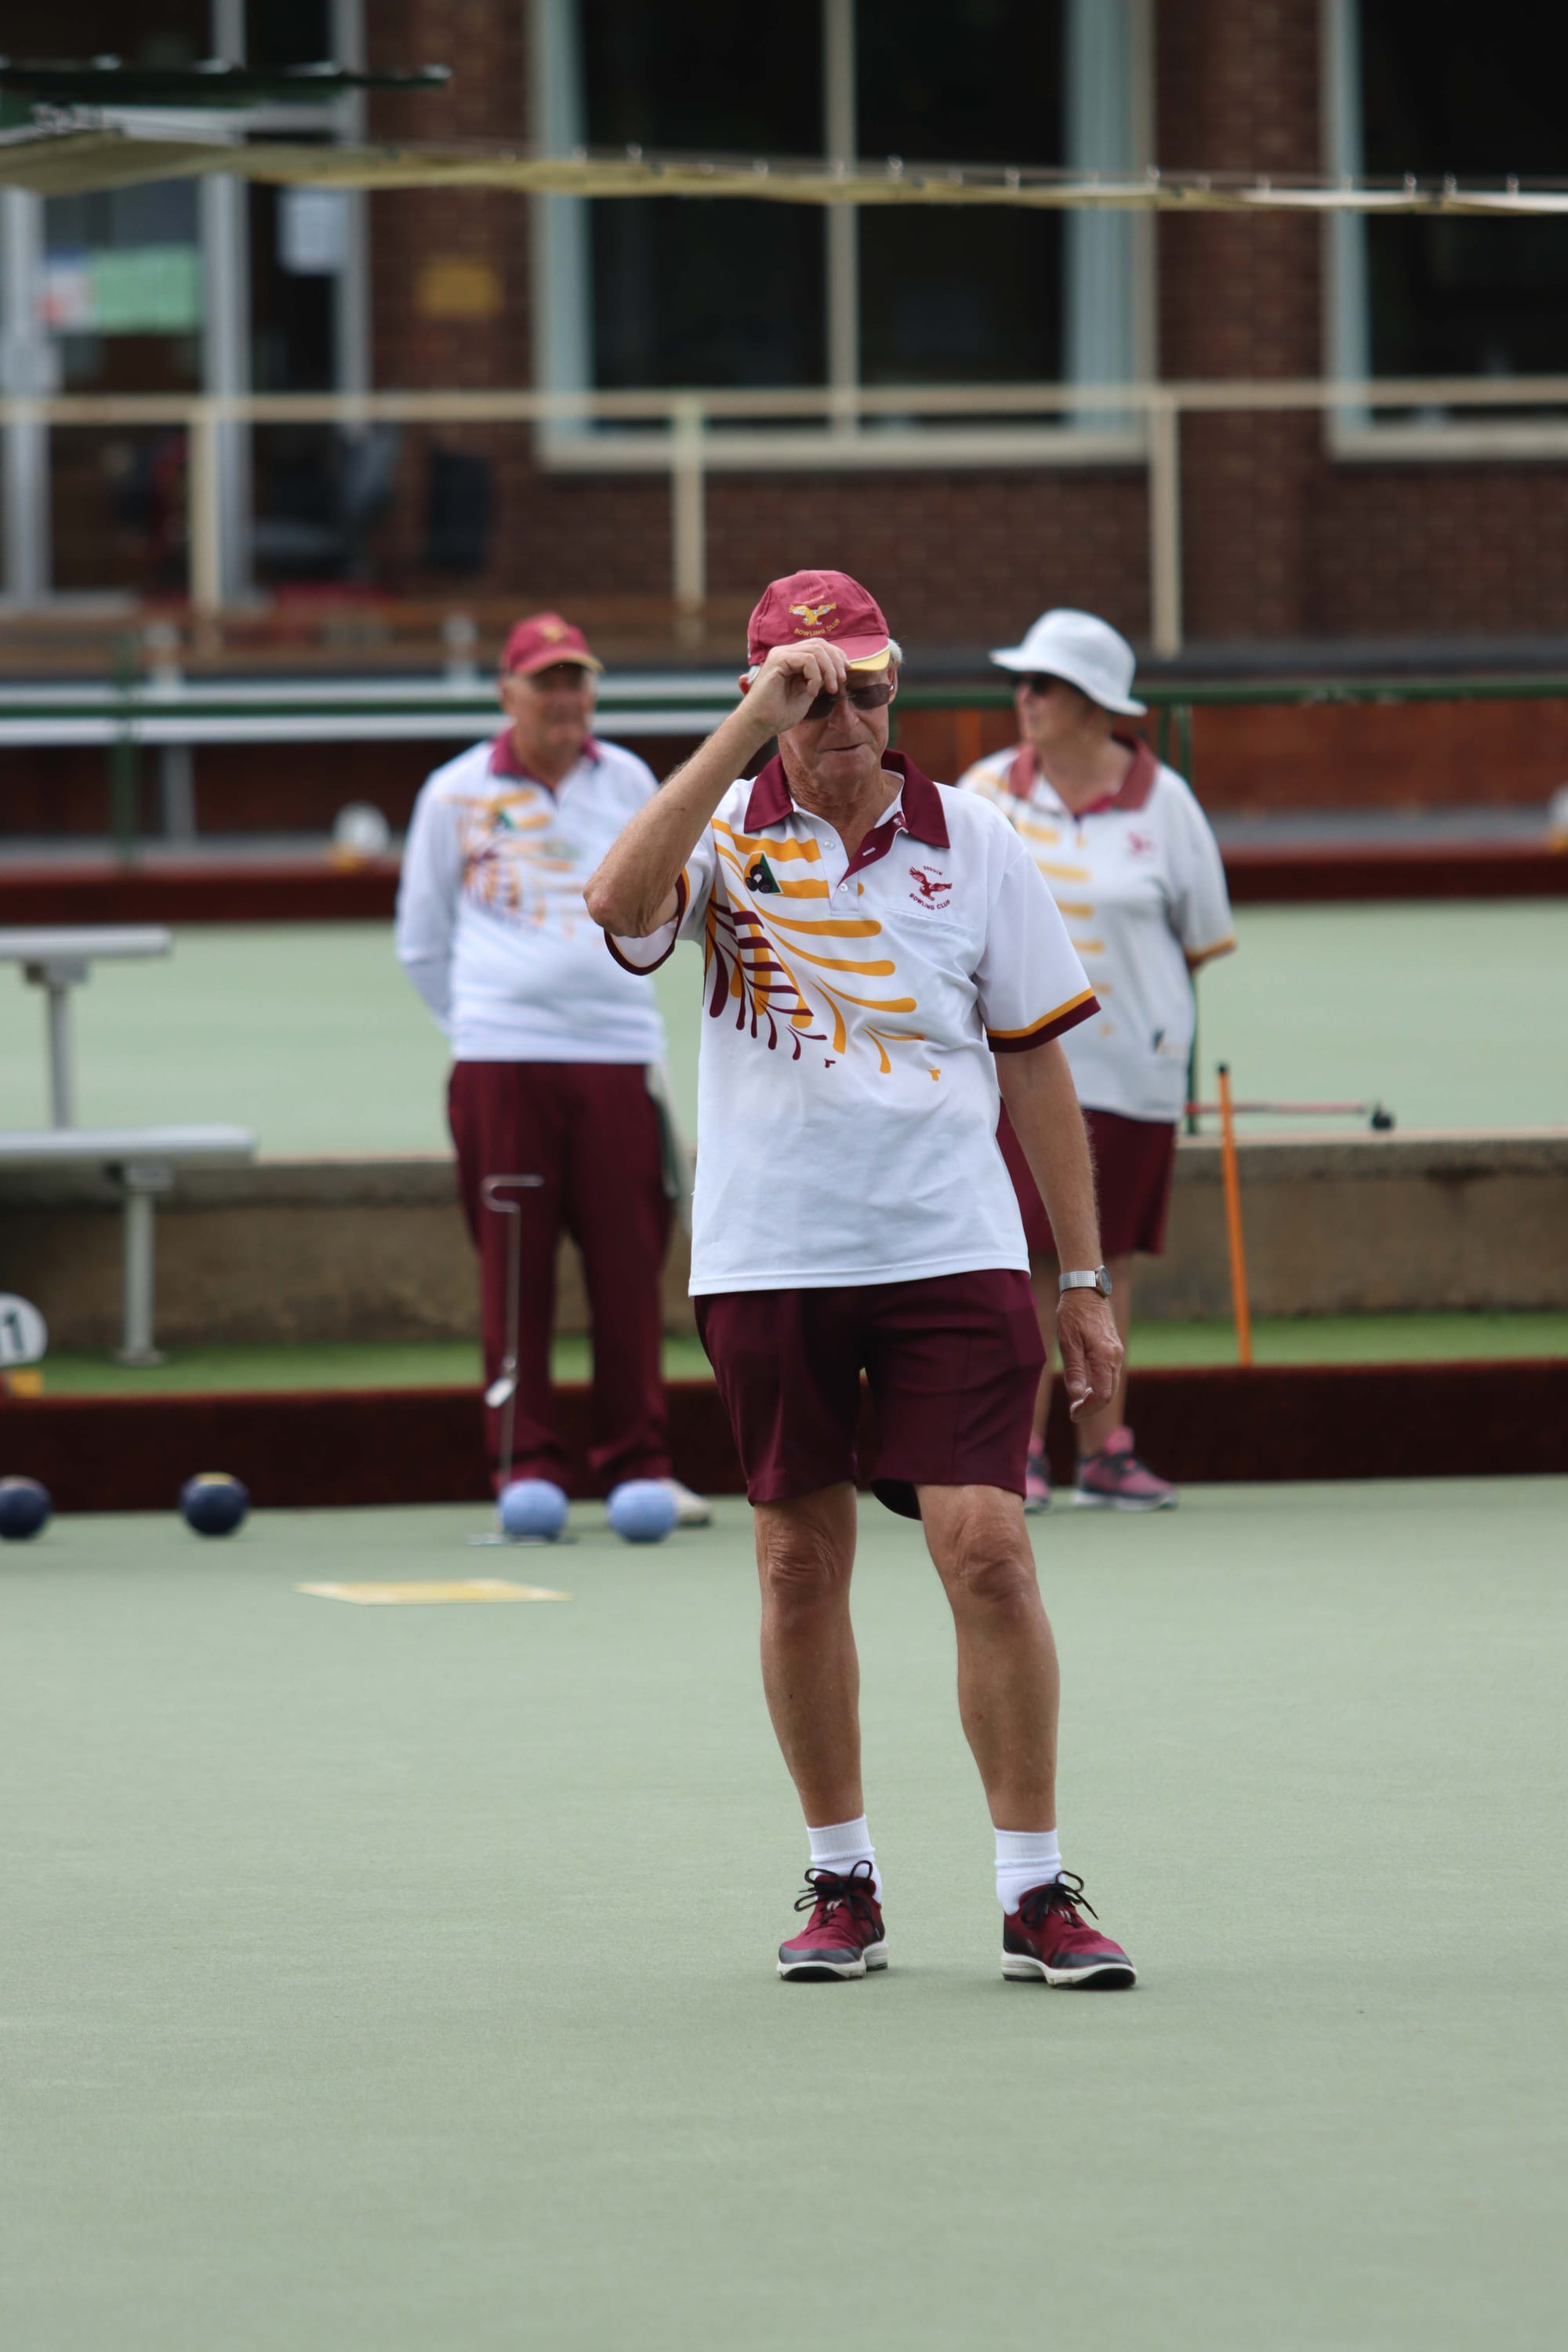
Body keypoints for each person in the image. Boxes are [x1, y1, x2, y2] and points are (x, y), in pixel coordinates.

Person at [585, 568, 1136, 1988]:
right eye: (816, 690)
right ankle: (843, 1879)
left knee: (990, 1552)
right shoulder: (715, 829)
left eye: (871, 685)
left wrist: (1080, 1275)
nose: (850, 713)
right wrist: (739, 733)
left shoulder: (978, 840)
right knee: (791, 1561)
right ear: (766, 697)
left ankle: (1033, 1891)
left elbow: (1035, 1061)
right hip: (771, 1252)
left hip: (947, 1246)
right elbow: (618, 906)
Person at [396, 611, 708, 1525]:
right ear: (508, 696)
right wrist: (489, 1026)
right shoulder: (450, 793)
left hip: (617, 1057)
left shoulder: (633, 781)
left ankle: (635, 1464)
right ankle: (523, 1464)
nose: (567, 699)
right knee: (514, 1264)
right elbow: (421, 942)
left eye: (578, 681)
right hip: (501, 1064)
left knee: (628, 1265)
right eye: (547, 683)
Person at [961, 608, 1235, 1512]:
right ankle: (1022, 1454)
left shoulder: (1167, 804)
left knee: (1103, 1260)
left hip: (1132, 1073)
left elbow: (1197, 940)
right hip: (1013, 1070)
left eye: (1044, 685)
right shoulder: (984, 791)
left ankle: (1105, 1451)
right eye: (1022, 682)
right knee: (1023, 1260)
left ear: (1094, 705)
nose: (1024, 699)